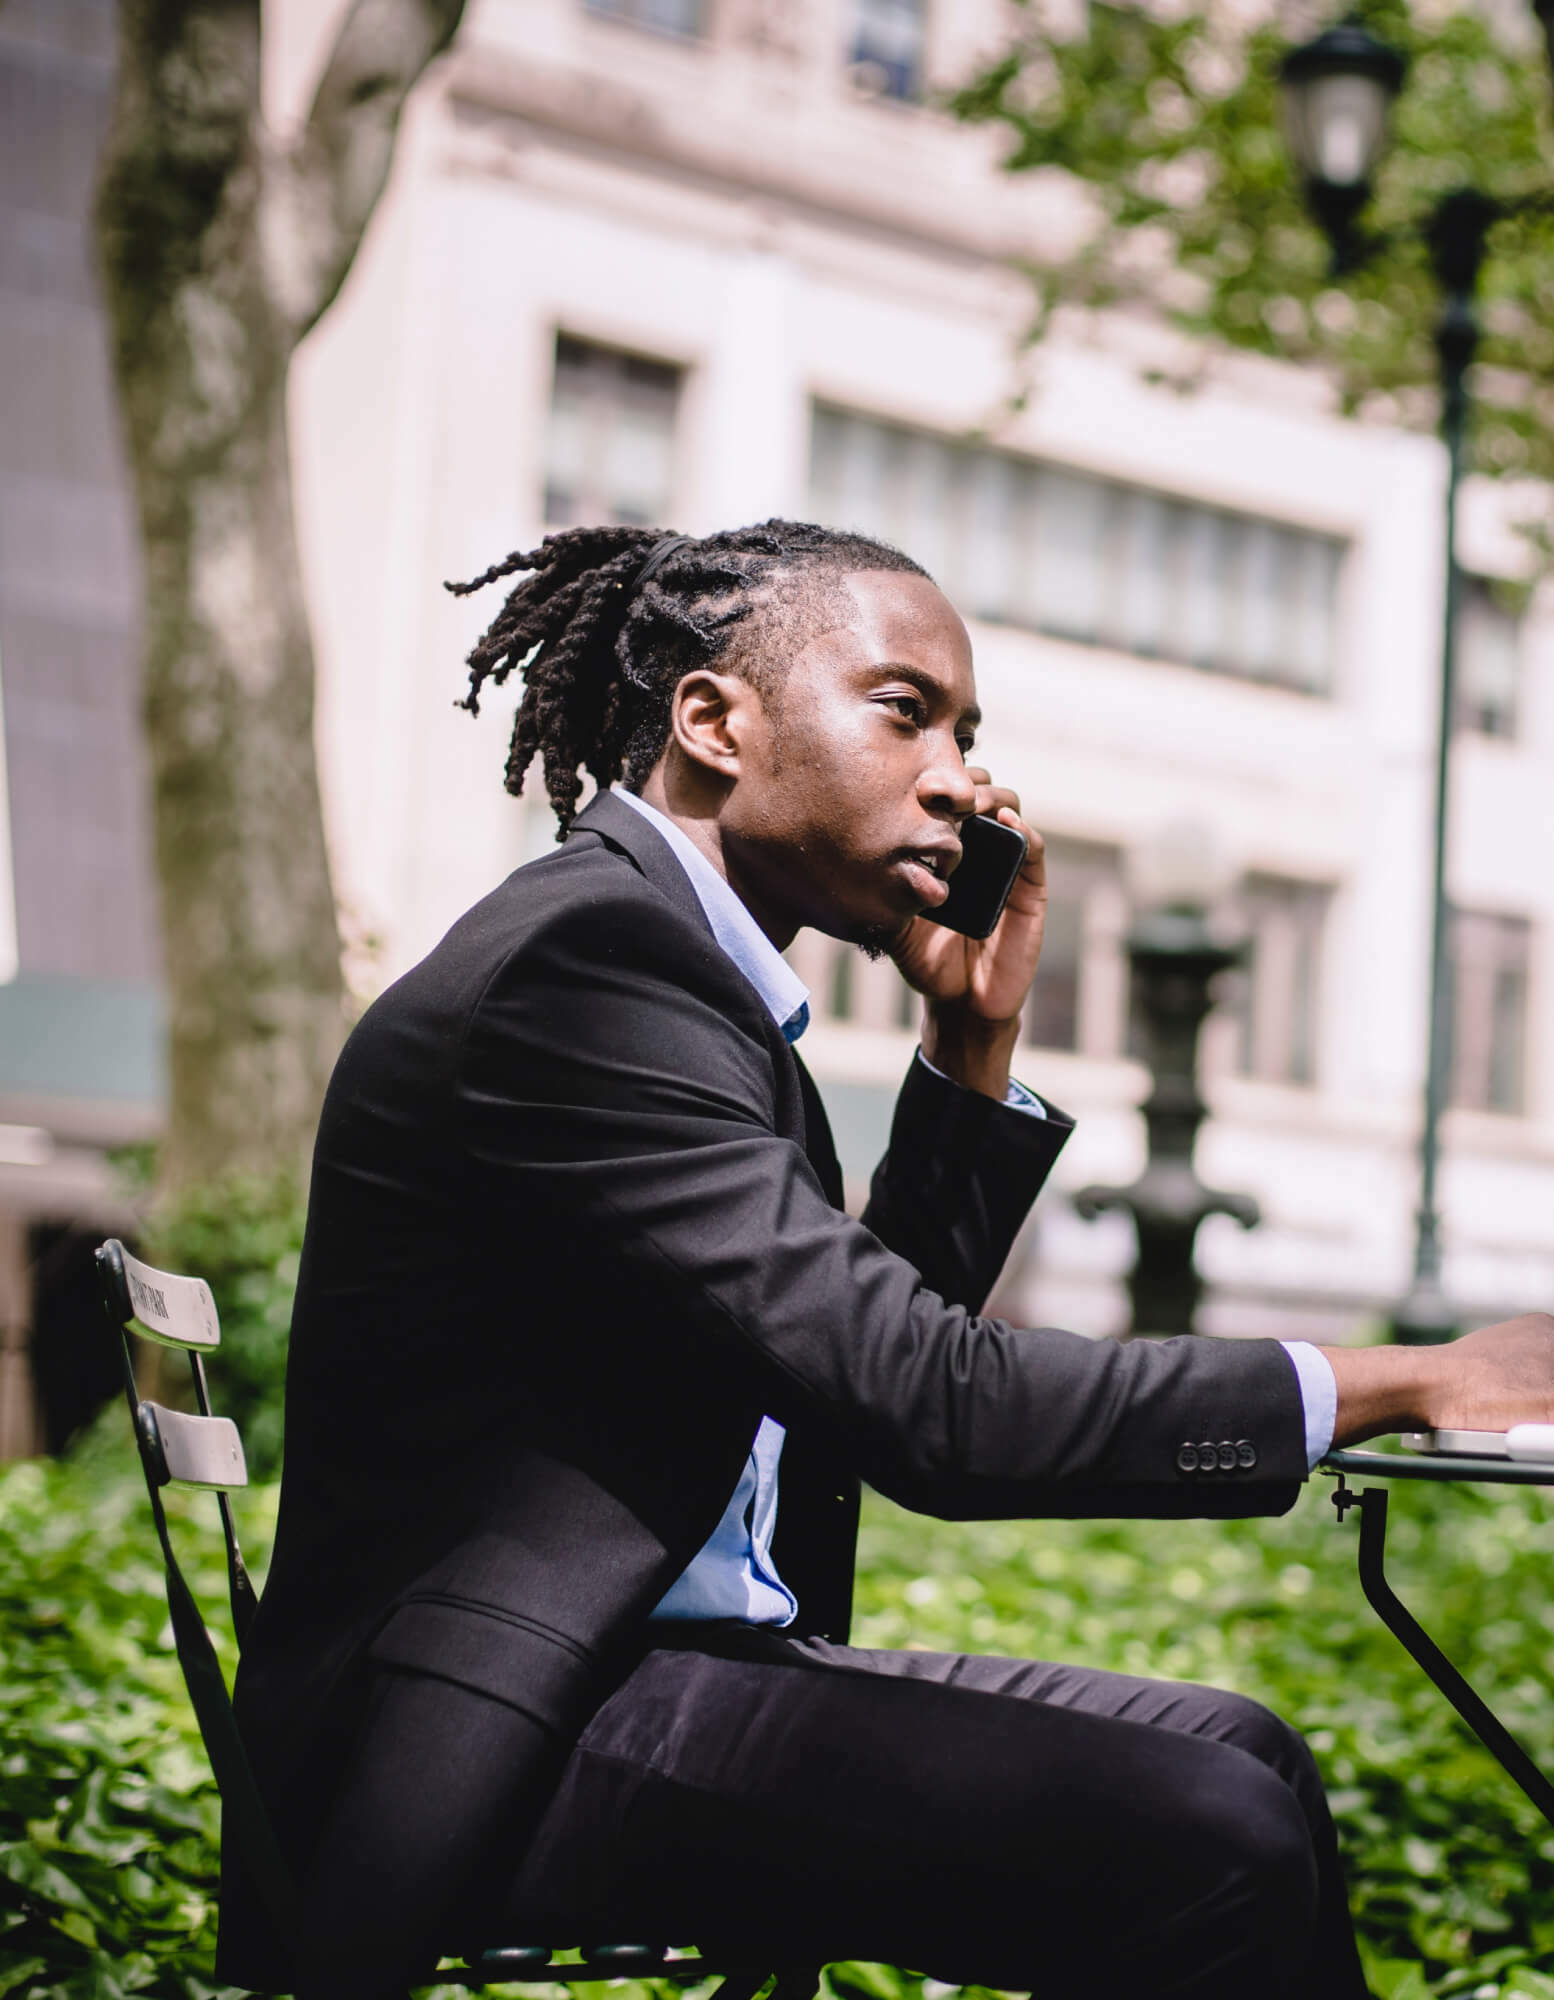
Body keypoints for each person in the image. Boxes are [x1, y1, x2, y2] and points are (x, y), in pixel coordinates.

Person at [220, 520, 1554, 2000]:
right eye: (902, 711)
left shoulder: (679, 976)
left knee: (1242, 1754)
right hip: (499, 1739)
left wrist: (968, 1051)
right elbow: (930, 1404)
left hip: (636, 1670)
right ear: (714, 723)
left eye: (966, 733)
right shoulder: (589, 975)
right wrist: (1412, 1375)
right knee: (1209, 1830)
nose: (958, 779)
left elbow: (842, 1365)